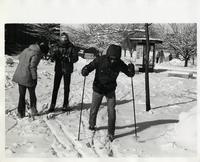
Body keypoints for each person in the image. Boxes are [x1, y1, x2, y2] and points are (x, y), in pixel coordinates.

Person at [81, 44, 135, 142]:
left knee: (111, 111)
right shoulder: (100, 60)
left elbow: (129, 74)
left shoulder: (119, 63)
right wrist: (85, 70)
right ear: (108, 55)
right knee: (94, 108)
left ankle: (111, 132)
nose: (113, 60)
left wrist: (131, 69)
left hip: (110, 90)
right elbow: (90, 66)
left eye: (115, 59)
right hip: (98, 88)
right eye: (112, 58)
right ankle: (92, 124)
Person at [12, 42, 49, 118]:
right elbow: (32, 67)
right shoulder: (37, 54)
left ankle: (20, 113)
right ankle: (33, 111)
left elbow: (19, 58)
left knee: (21, 95)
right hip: (28, 76)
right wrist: (34, 78)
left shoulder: (27, 49)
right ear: (42, 50)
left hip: (19, 74)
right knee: (32, 94)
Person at [47, 32, 79, 112]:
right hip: (58, 69)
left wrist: (68, 59)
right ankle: (52, 105)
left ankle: (65, 105)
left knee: (66, 88)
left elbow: (75, 58)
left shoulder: (71, 47)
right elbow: (51, 56)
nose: (64, 39)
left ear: (67, 38)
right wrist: (53, 56)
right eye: (62, 37)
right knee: (55, 88)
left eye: (65, 38)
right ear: (60, 38)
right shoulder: (56, 46)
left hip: (67, 69)